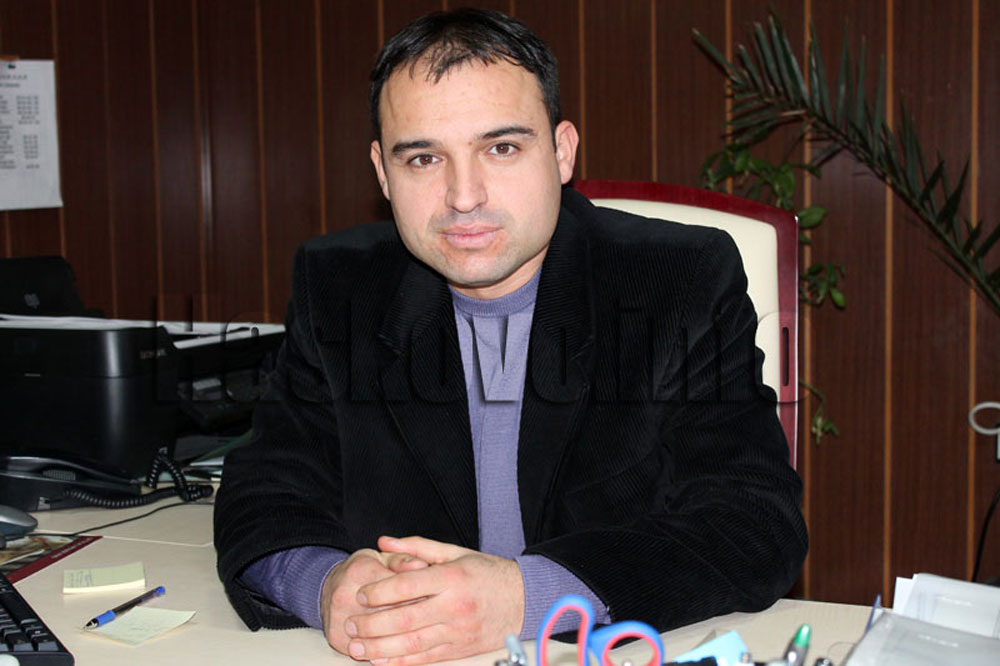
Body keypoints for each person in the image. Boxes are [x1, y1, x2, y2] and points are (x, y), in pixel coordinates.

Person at [214, 8, 807, 665]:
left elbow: (753, 522)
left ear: (561, 152)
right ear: (383, 173)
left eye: (501, 148)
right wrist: (324, 584)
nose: (463, 196)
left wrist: (527, 598)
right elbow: (262, 492)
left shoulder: (678, 281)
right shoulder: (337, 287)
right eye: (424, 158)